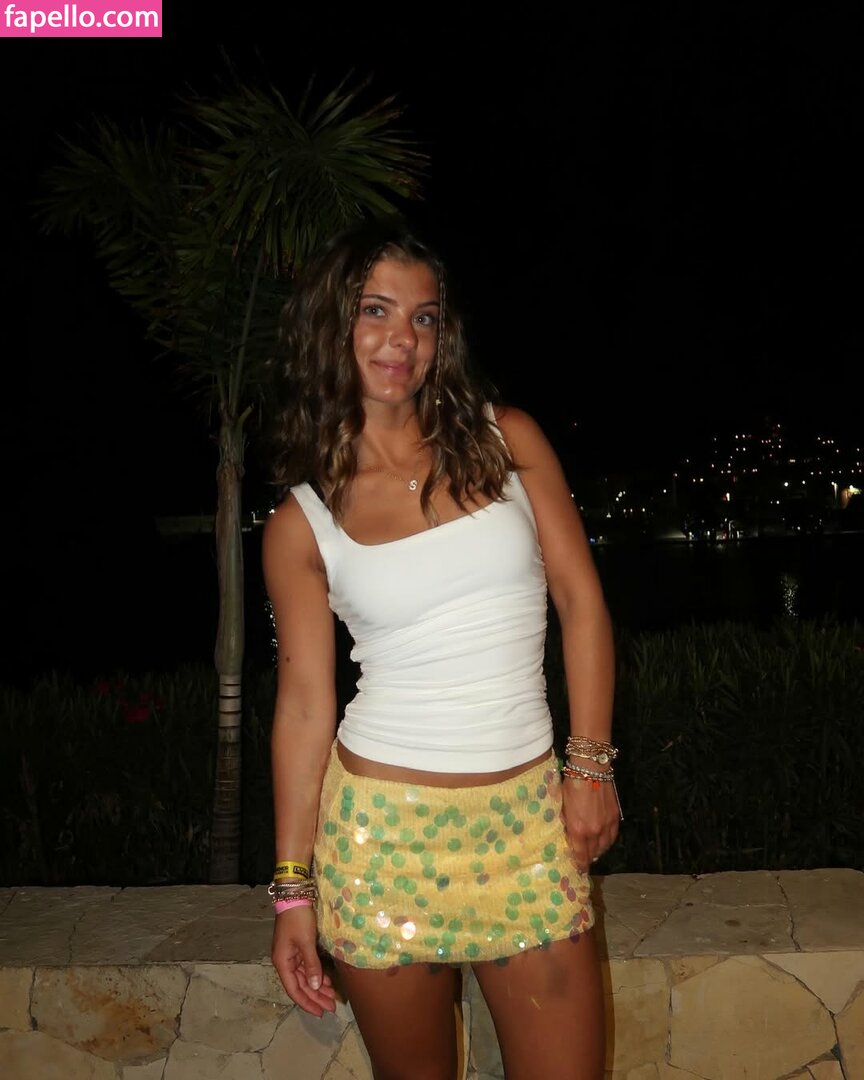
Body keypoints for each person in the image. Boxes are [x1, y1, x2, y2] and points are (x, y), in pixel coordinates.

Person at [262, 218, 621, 1080]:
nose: (402, 338)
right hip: (381, 842)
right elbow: (305, 708)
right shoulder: (300, 523)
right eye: (376, 310)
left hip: (528, 829)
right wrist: (292, 890)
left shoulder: (509, 441)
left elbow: (581, 603)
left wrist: (591, 764)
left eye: (423, 317)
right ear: (332, 325)